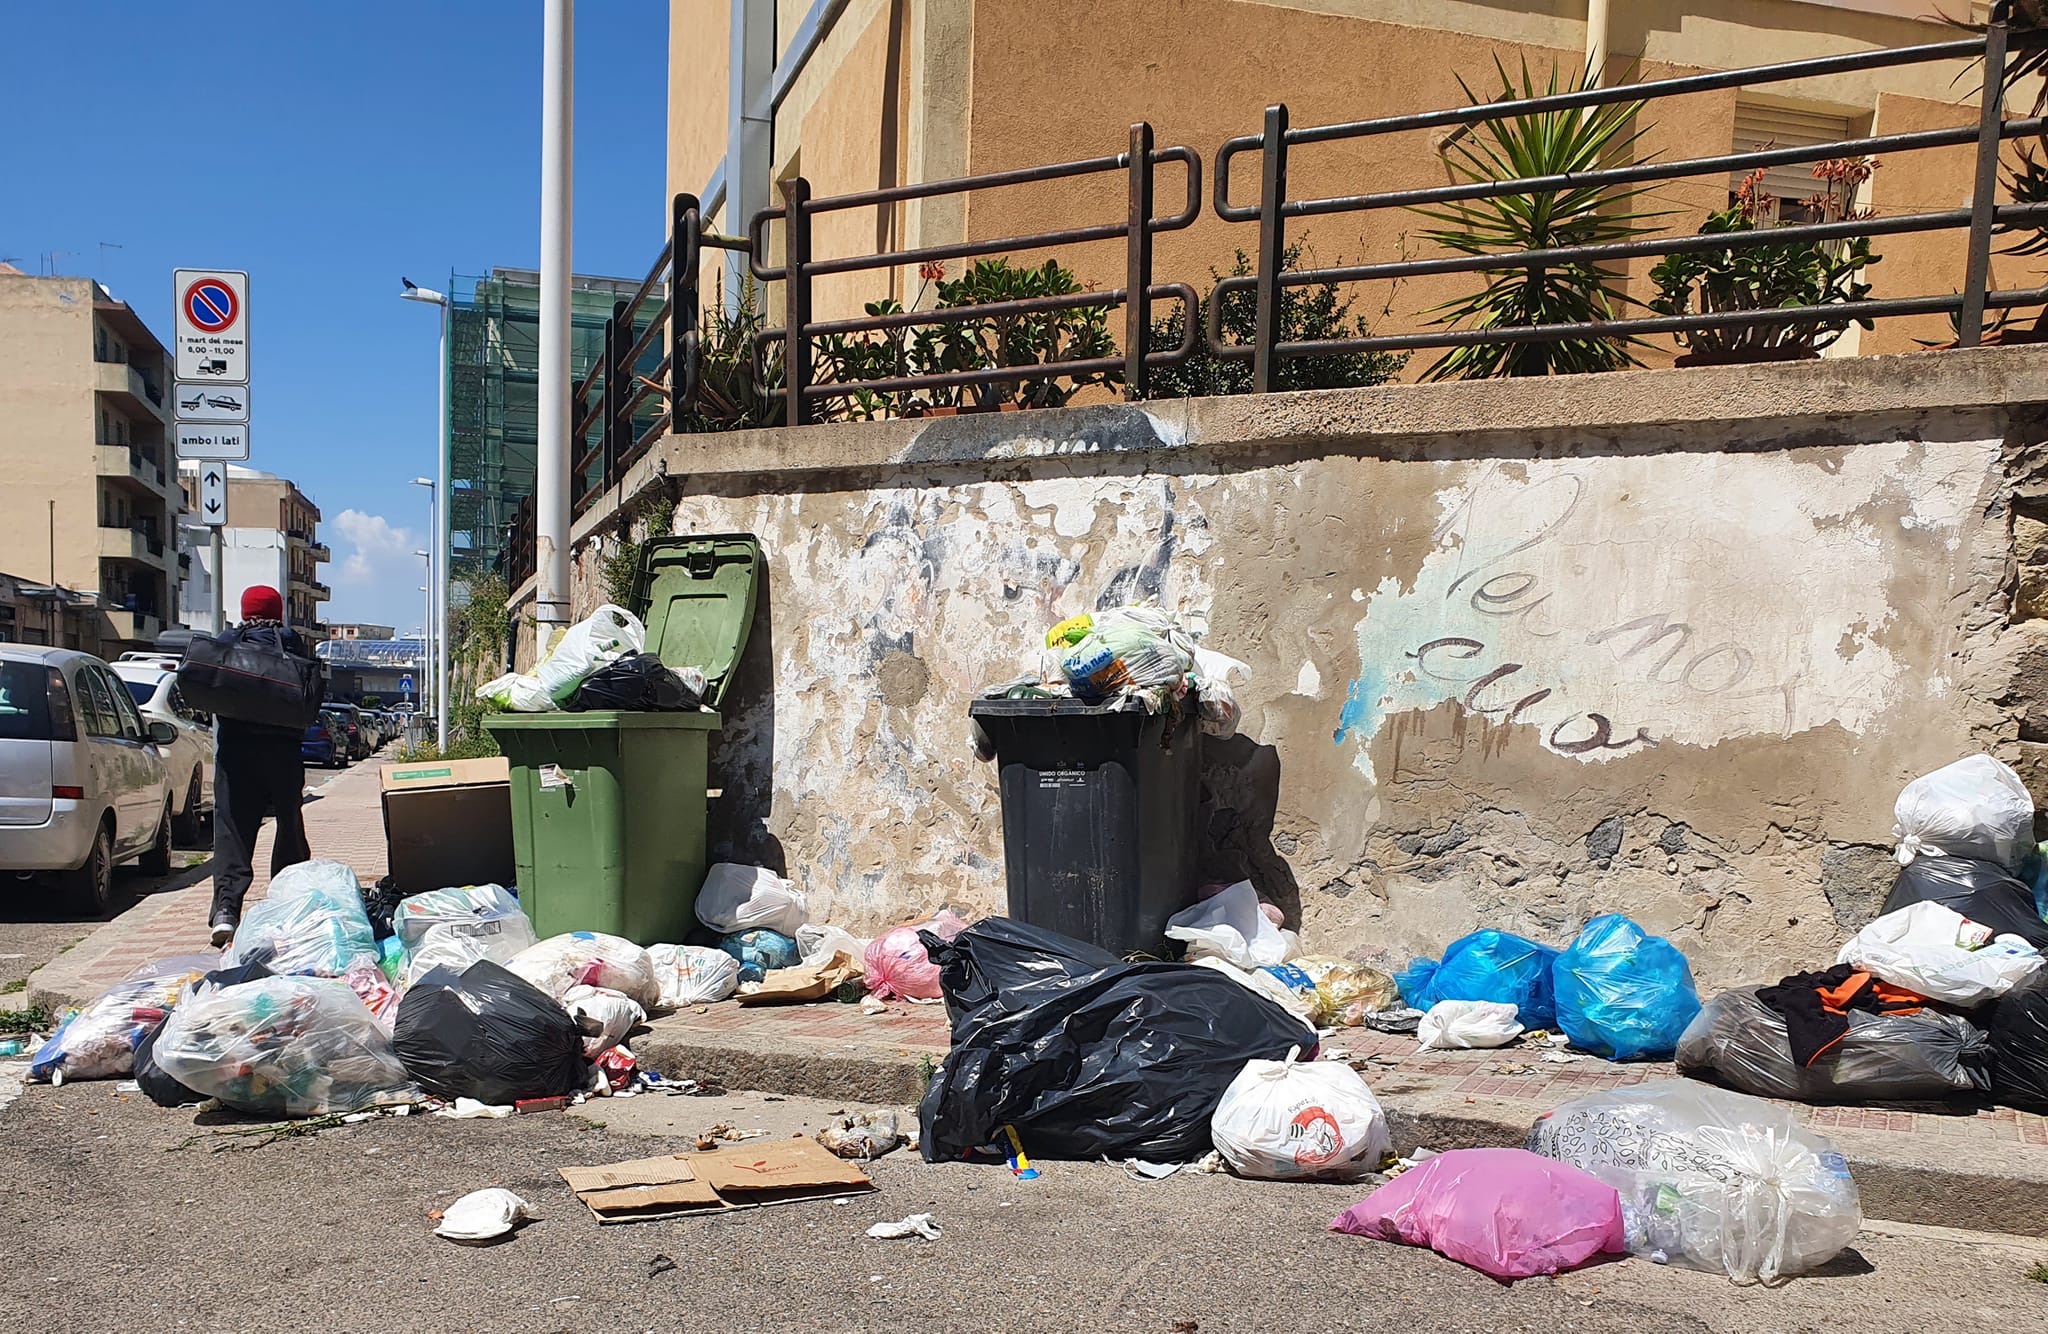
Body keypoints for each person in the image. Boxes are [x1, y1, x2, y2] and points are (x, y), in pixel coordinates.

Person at [209, 586, 318, 947]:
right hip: (283, 754)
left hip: (235, 753)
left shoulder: (227, 641)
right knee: (289, 826)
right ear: (278, 611)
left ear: (244, 611)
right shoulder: (289, 643)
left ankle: (227, 908)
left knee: (232, 830)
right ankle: (284, 903)